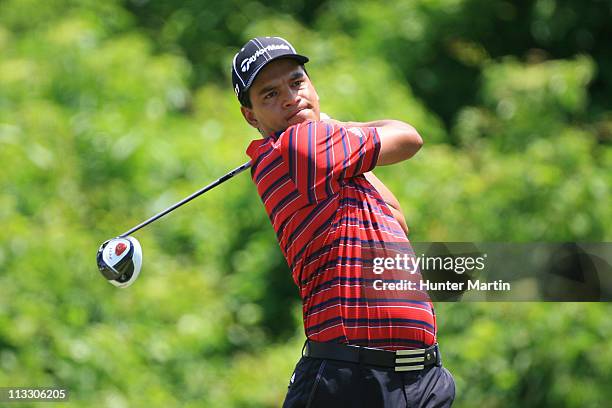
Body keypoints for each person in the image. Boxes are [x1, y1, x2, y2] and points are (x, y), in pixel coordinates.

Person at [231, 36, 455, 408]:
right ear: (251, 116)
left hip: (421, 378)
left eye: (297, 82)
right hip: (351, 379)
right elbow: (409, 136)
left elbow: (397, 218)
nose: (290, 98)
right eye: (270, 94)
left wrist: (339, 134)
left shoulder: (330, 159)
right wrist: (342, 125)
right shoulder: (297, 148)